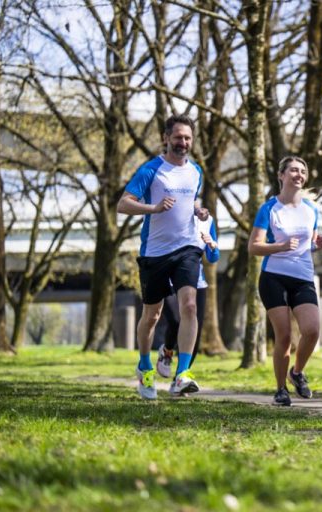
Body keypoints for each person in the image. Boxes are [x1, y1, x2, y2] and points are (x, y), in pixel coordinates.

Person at [118, 114, 209, 399]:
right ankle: (145, 365)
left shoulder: (196, 171)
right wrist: (153, 208)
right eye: (178, 137)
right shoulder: (151, 170)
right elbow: (123, 204)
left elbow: (191, 198)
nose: (183, 143)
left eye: (188, 138)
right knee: (152, 315)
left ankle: (182, 374)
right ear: (166, 138)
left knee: (190, 306)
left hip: (187, 247)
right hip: (155, 252)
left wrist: (198, 210)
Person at [248, 156, 322, 407]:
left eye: (302, 171)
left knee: (312, 330)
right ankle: (281, 389)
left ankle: (297, 372)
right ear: (281, 175)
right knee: (283, 335)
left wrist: (318, 243)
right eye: (293, 170)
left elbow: (310, 243)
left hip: (302, 276)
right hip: (274, 277)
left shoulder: (311, 209)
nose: (299, 175)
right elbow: (254, 246)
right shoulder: (269, 208)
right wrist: (279, 246)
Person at [156, 216, 220, 378]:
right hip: (168, 280)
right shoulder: (169, 214)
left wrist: (212, 246)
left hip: (196, 282)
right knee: (176, 322)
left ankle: (181, 376)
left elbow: (213, 257)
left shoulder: (207, 220)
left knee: (194, 333)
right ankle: (167, 351)